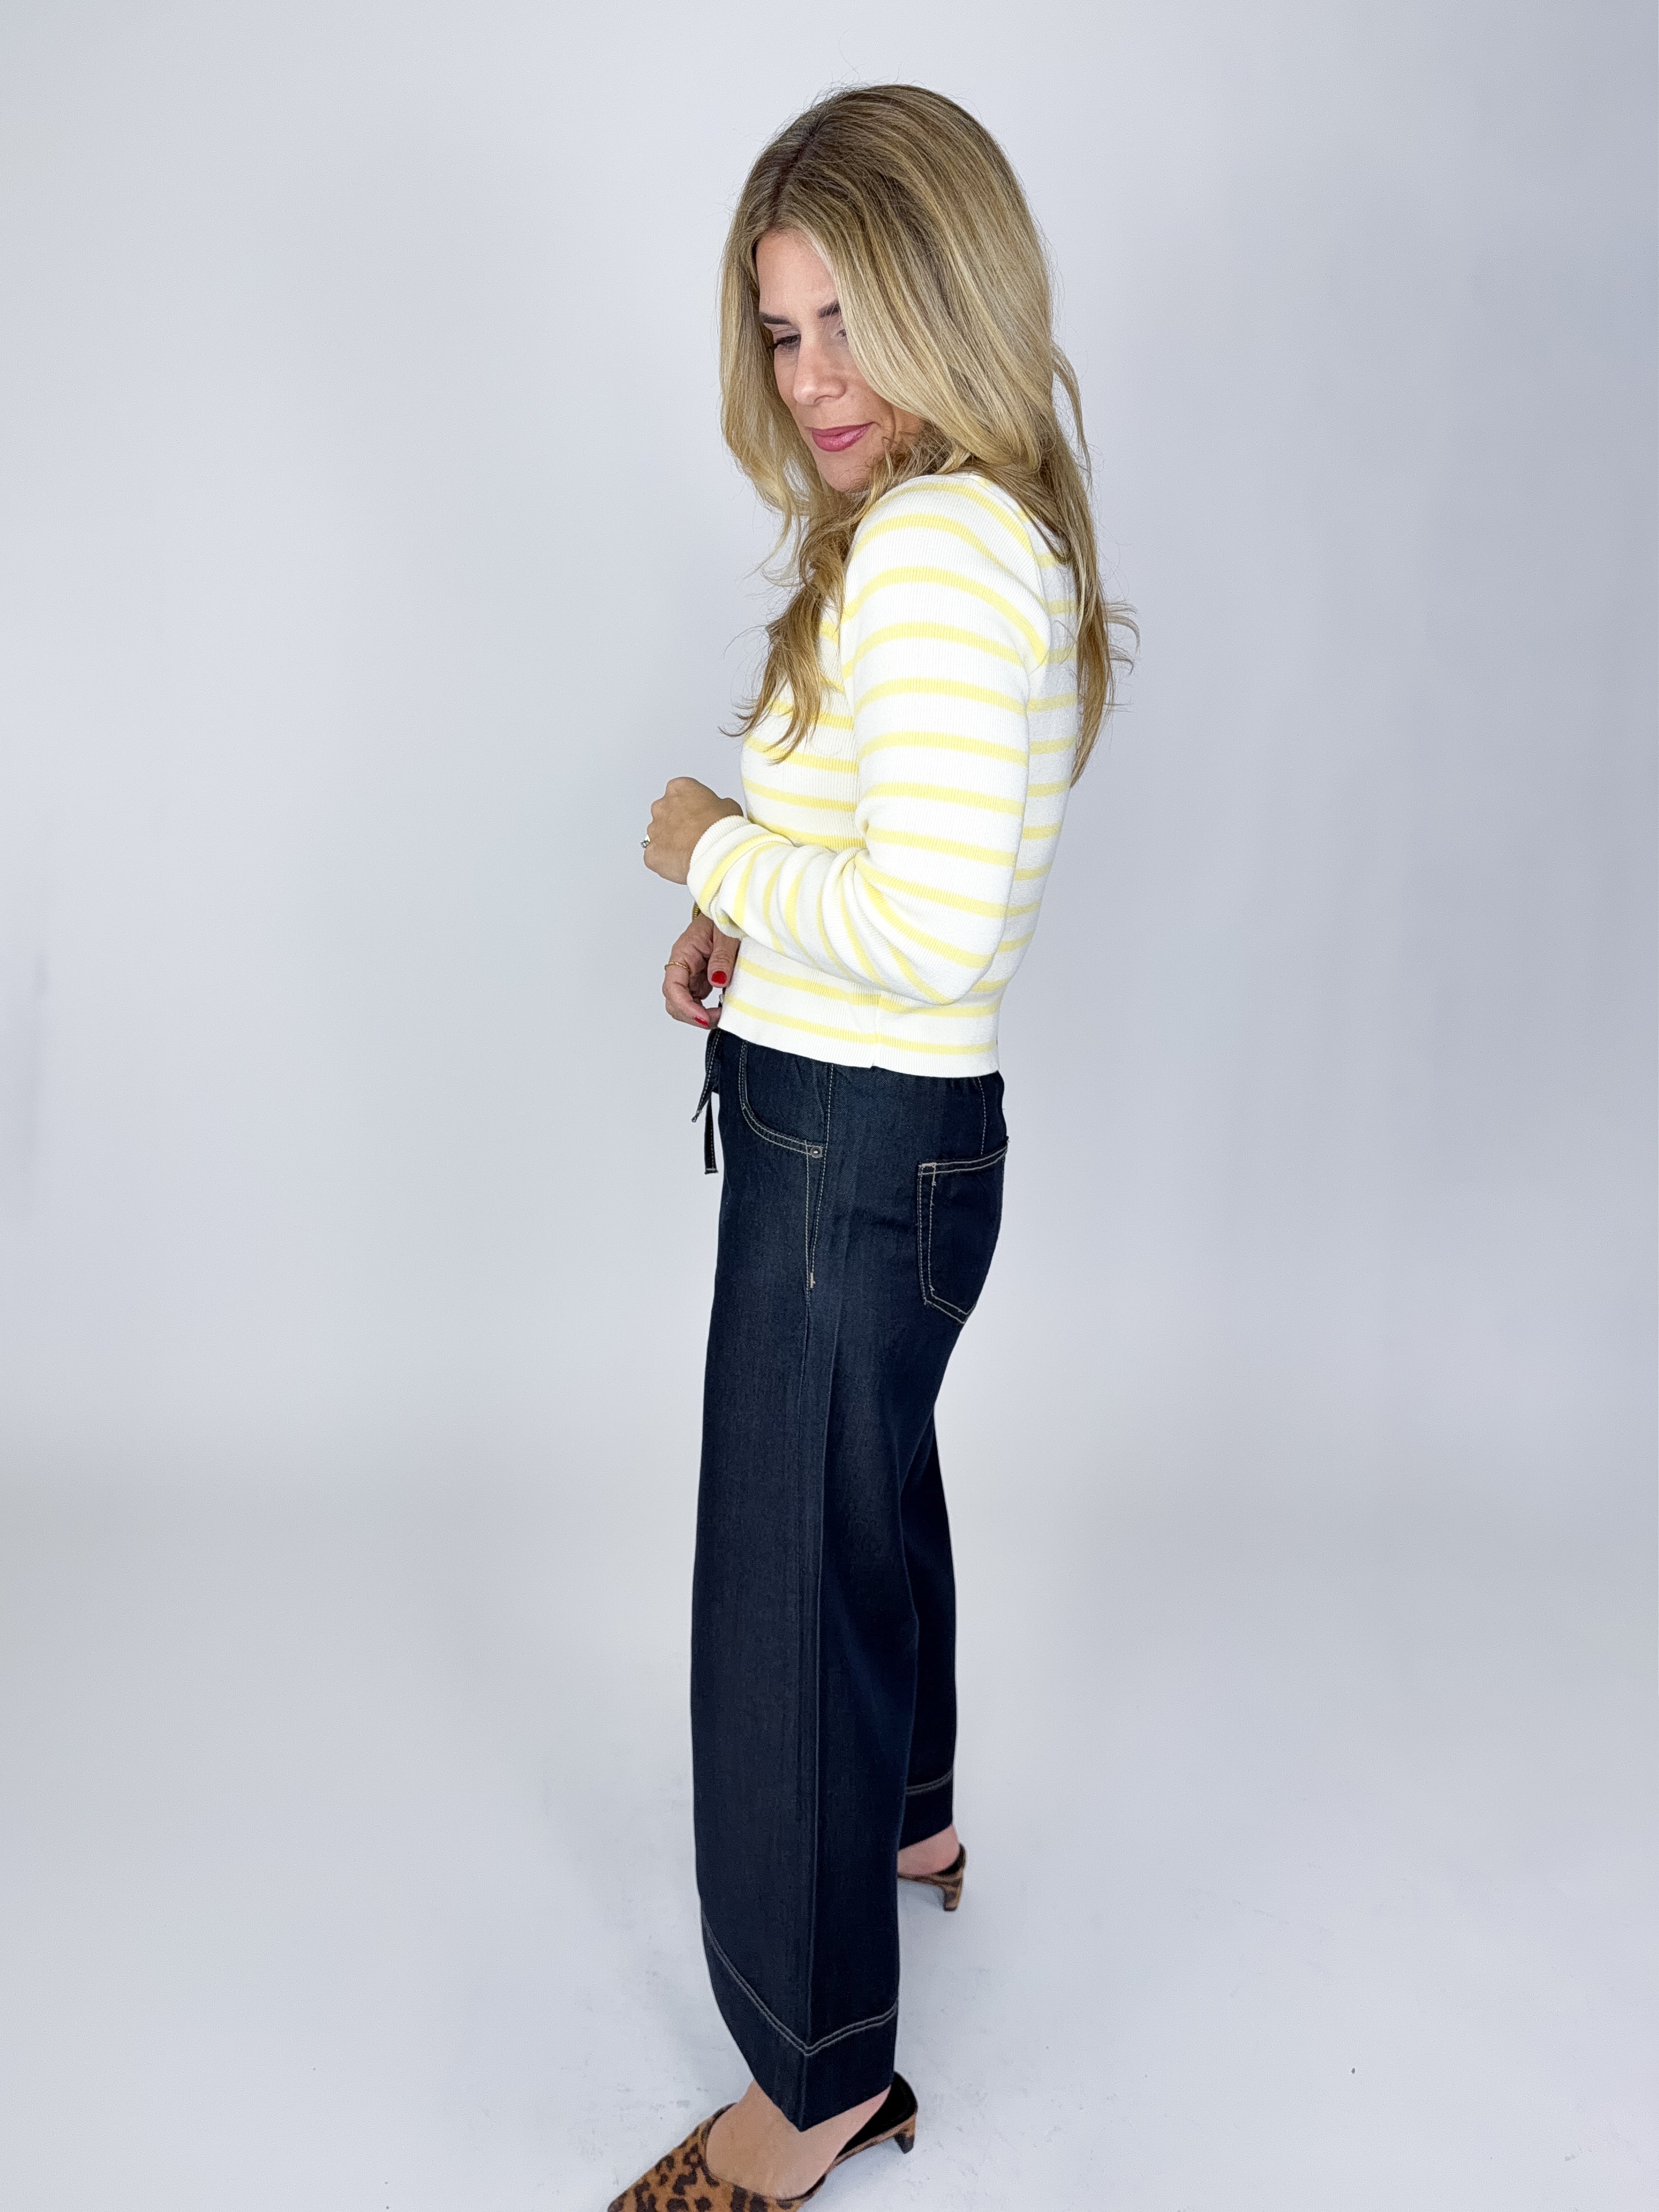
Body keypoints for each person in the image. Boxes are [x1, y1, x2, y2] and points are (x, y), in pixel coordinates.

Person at [617, 83, 1128, 2211]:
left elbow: (927, 930)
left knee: (781, 1576)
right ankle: (912, 1813)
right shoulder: (973, 531)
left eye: (851, 322)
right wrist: (754, 920)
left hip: (850, 1145)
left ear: (952, 297)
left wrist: (708, 844)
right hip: (889, 1130)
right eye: (783, 329)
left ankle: (813, 2076)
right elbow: (914, 870)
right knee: (865, 1497)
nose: (814, 377)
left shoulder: (926, 553)